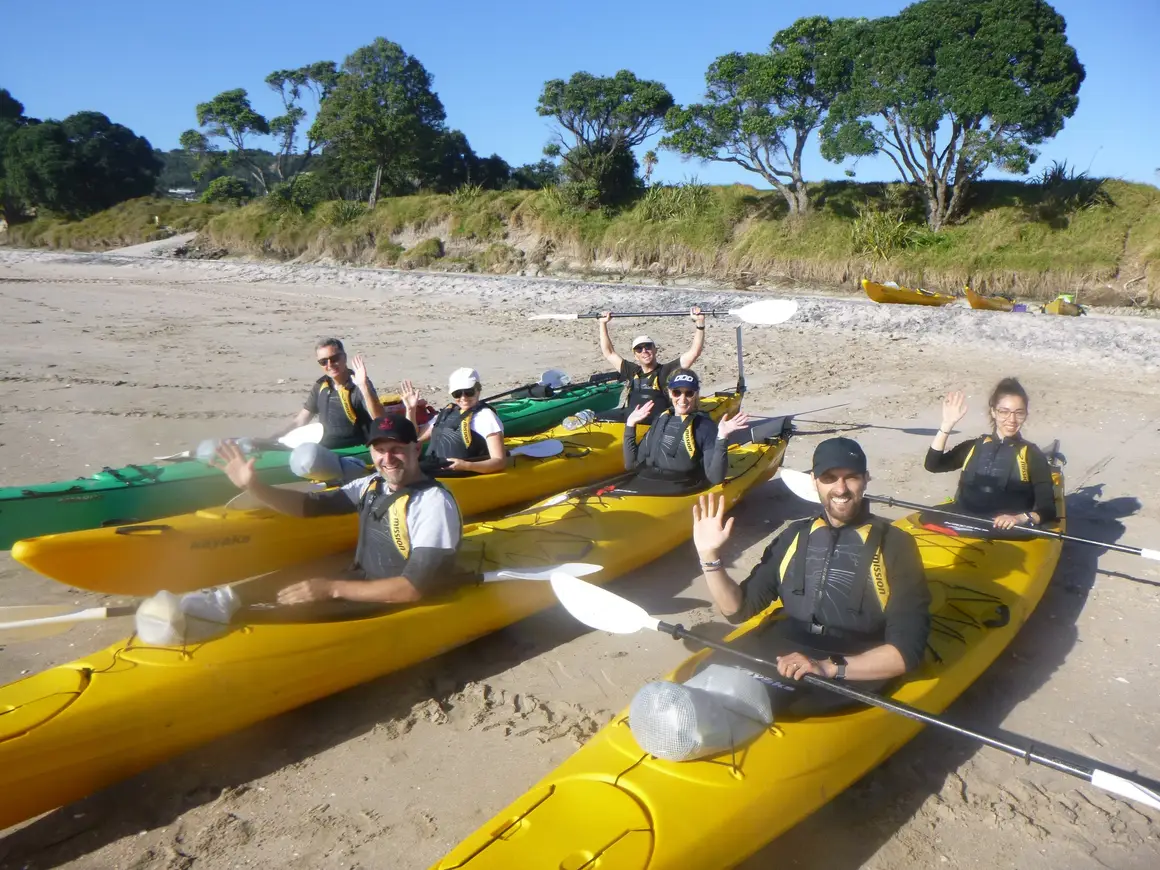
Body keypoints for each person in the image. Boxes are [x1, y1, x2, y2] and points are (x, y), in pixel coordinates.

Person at [691, 437, 931, 714]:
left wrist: (826, 667)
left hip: (854, 656)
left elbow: (906, 652)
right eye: (829, 478)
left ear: (865, 479)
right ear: (814, 481)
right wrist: (709, 557)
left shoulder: (896, 545)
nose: (840, 489)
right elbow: (737, 610)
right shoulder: (794, 536)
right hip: (785, 643)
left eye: (851, 477)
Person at [215, 413, 463, 606]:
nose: (387, 459)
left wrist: (331, 588)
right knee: (267, 592)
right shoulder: (370, 485)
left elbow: (412, 589)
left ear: (416, 449)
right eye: (380, 450)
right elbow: (309, 506)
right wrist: (255, 487)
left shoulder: (433, 503)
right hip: (362, 584)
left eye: (396, 448)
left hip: (398, 602)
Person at [926, 378, 1057, 530]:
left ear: (1026, 414)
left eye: (1019, 413)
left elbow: (1048, 510)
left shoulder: (1031, 455)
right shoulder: (974, 447)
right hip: (964, 519)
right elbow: (933, 465)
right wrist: (946, 425)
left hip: (1007, 530)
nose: (1012, 420)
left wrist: (1019, 518)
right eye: (1004, 412)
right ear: (993, 412)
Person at [623, 368, 750, 493]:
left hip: (680, 490)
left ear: (696, 395)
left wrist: (722, 437)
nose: (682, 399)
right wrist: (630, 425)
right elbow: (631, 465)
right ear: (669, 392)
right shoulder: (661, 419)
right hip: (648, 483)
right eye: (677, 392)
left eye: (689, 393)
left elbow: (715, 478)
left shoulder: (705, 427)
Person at [272, 338, 387, 450]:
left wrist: (364, 386)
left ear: (344, 357)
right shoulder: (321, 385)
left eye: (335, 358)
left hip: (354, 450)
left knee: (309, 457)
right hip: (325, 448)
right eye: (323, 362)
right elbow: (300, 421)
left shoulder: (359, 384)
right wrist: (276, 438)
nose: (330, 364)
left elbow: (380, 419)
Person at [598, 306, 706, 423]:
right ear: (635, 355)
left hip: (653, 425)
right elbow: (609, 353)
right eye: (639, 349)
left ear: (655, 350)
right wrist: (602, 324)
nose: (644, 351)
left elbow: (694, 352)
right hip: (628, 419)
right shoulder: (632, 370)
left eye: (648, 347)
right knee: (591, 417)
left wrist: (700, 323)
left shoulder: (666, 371)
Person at [400, 368, 506, 476]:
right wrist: (411, 410)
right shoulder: (447, 412)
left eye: (469, 392)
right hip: (433, 469)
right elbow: (414, 437)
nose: (463, 398)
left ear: (478, 390)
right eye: (457, 394)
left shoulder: (486, 416)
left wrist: (466, 465)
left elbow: (499, 461)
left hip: (461, 475)